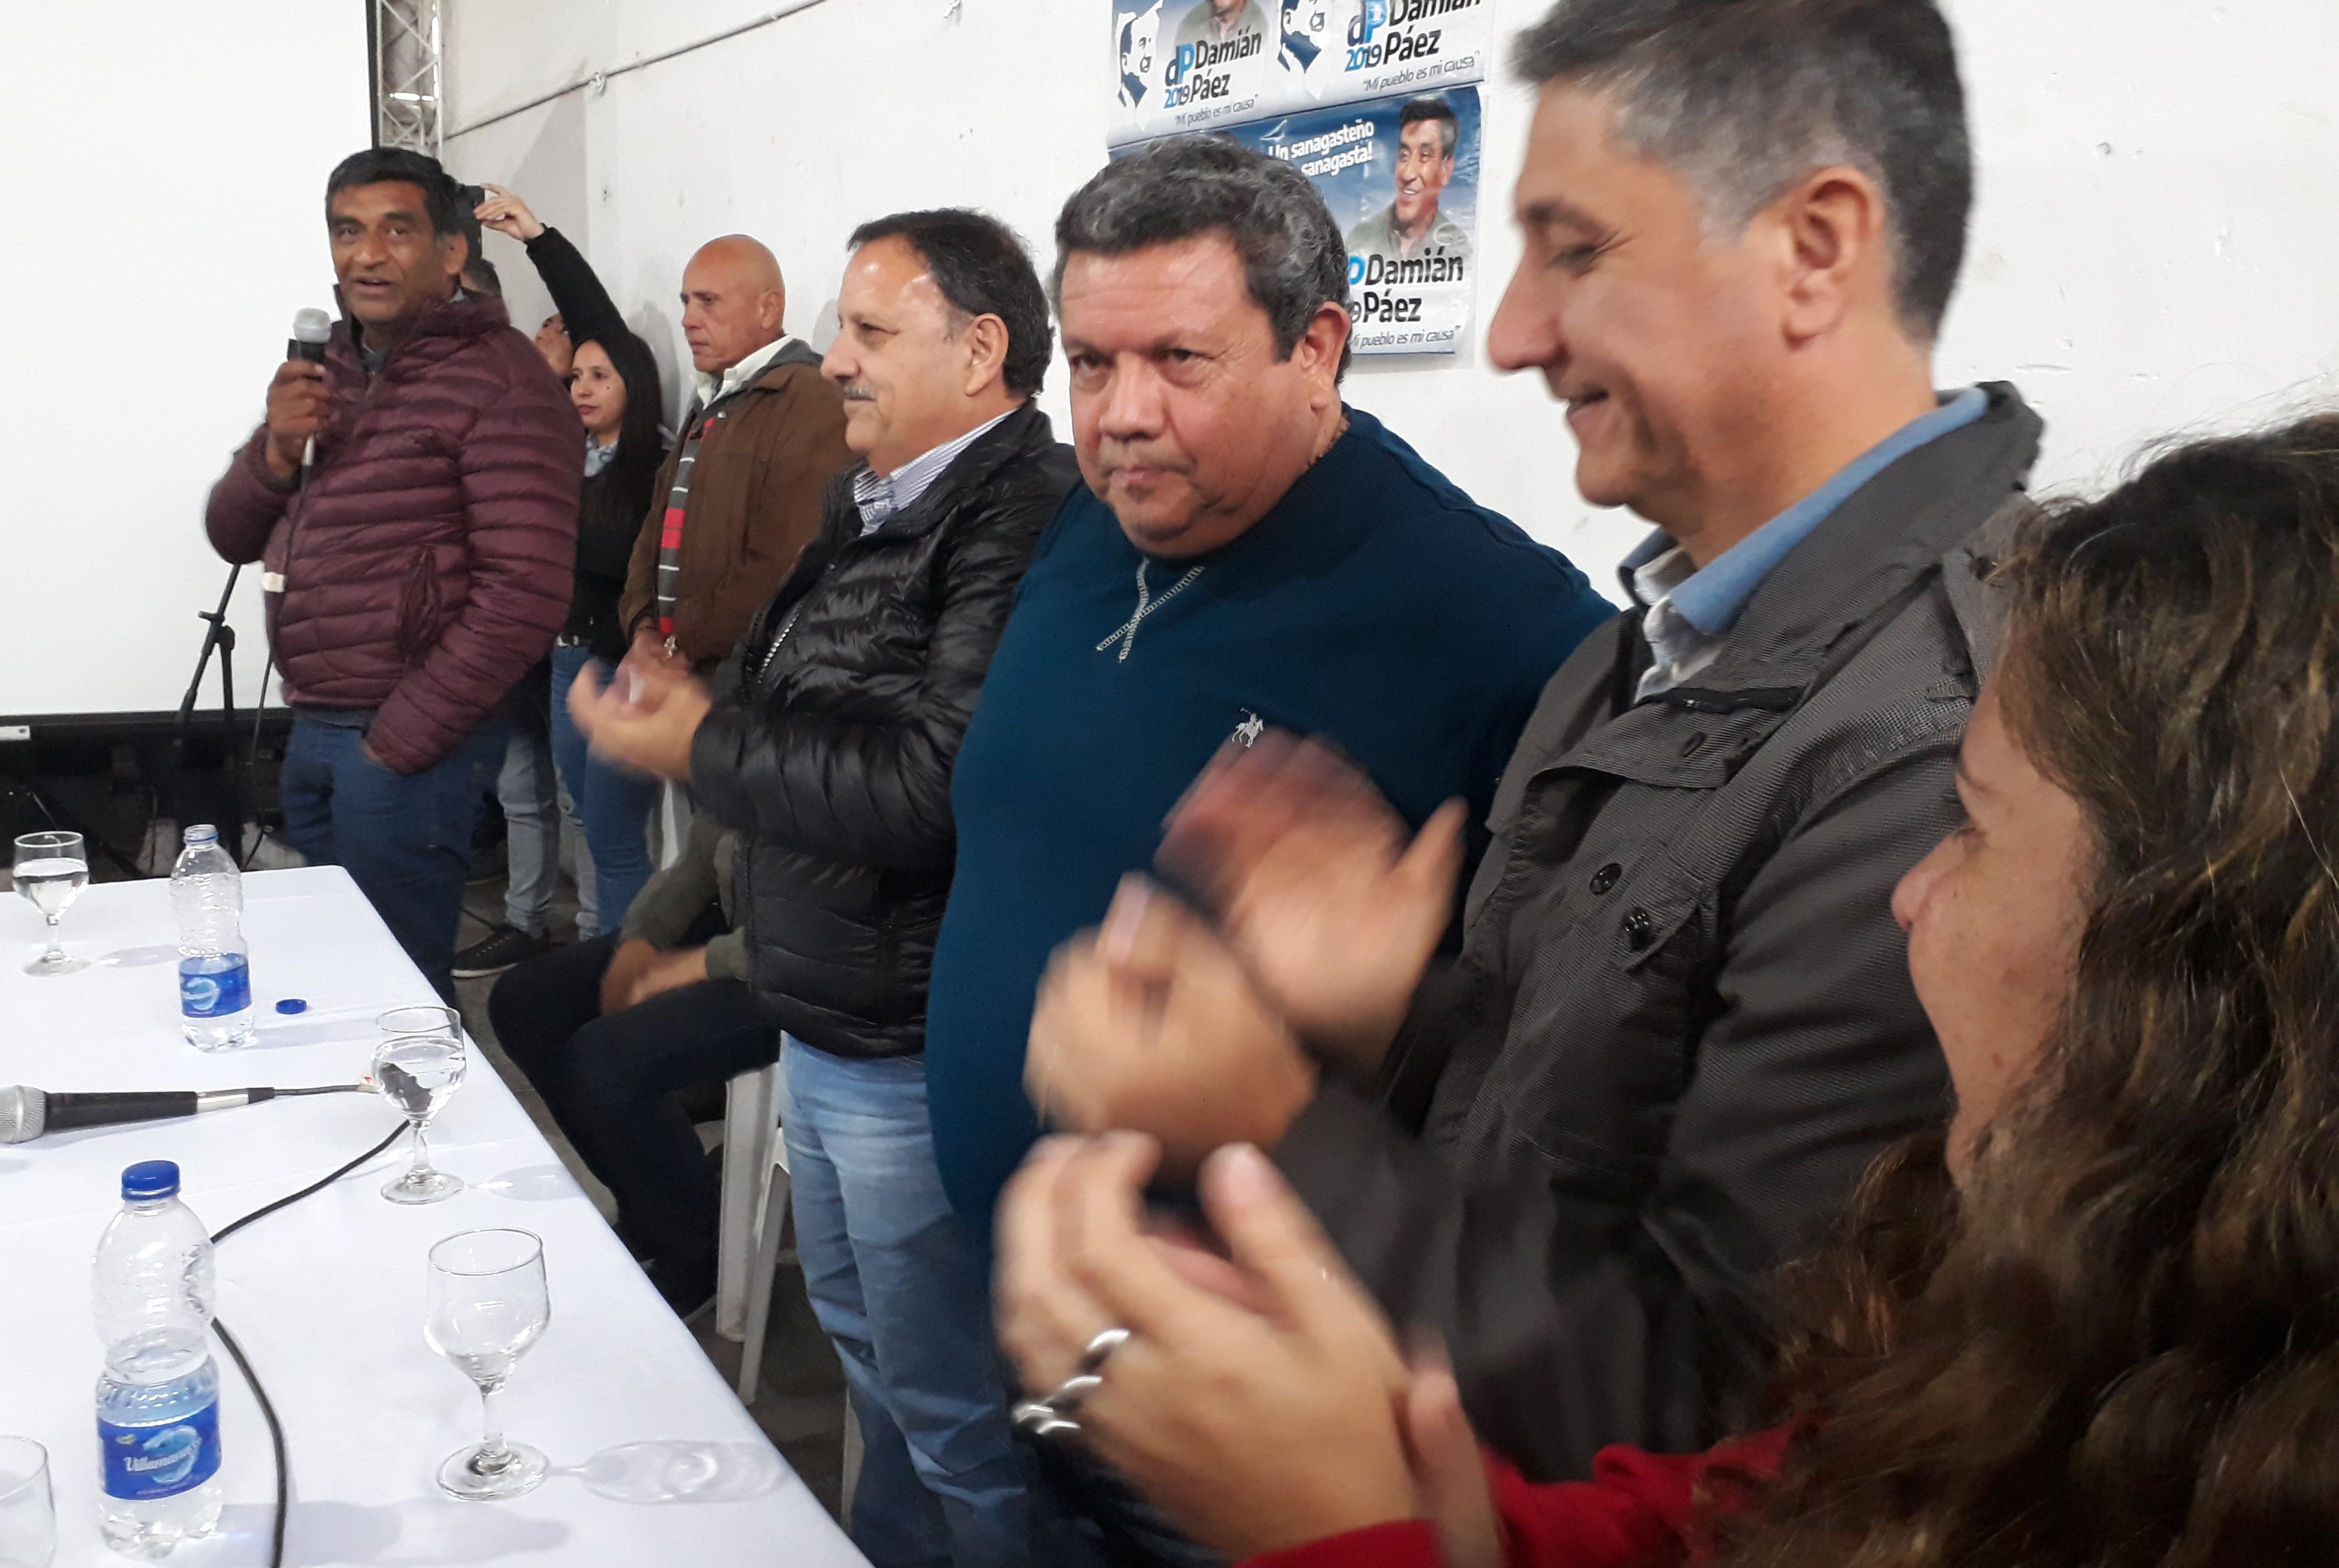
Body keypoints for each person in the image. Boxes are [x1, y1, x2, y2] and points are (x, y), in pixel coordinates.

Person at [1022, 0, 2044, 1486]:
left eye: (1575, 252)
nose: (1509, 335)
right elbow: (1580, 1134)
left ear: (1816, 247)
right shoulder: (1655, 640)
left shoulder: (1954, 755)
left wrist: (1271, 1115)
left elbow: (1721, 1418)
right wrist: (1390, 1017)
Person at [999, 412, 2339, 1568]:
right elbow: (1764, 1484)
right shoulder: (1628, 657)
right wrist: (1387, 1022)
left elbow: (1697, 1375)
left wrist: (1344, 1514)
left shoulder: (1884, 730)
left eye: (1974, 826)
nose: (1518, 332)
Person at [924, 137, 1611, 1247]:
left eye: (1179, 359)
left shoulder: (1500, 620)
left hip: (1243, 1306)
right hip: (1000, 1250)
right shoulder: (1097, 509)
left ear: (1317, 349)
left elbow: (1577, 1051)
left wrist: (1391, 1016)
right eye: (1091, 364)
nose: (1122, 414)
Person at [574, 209, 1081, 1568]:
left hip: (909, 1036)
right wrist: (702, 731)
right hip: (824, 1005)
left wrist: (700, 746)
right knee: (874, 1368)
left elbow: (930, 789)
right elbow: (775, 709)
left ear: (978, 351)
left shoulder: (1020, 517)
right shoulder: (869, 502)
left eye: (868, 330)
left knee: (956, 1416)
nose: (837, 360)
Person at [205, 148, 579, 1004]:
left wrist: (397, 745)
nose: (367, 255)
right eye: (348, 232)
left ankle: (421, 1099)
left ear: (452, 251)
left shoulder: (504, 381)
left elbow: (524, 595)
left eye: (396, 231)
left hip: (407, 743)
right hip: (317, 726)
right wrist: (274, 450)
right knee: (334, 981)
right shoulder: (327, 368)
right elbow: (231, 533)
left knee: (398, 995)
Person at [457, 188, 668, 974]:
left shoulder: (652, 462)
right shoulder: (566, 452)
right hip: (562, 659)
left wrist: (538, 237)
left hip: (617, 664)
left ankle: (617, 973)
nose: (580, 387)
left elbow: (618, 561)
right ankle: (588, 958)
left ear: (632, 383)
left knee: (613, 838)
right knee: (579, 818)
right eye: (575, 376)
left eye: (597, 375)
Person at [612, 232, 853, 865]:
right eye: (686, 302)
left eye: (709, 302)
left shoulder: (809, 397)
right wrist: (643, 629)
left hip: (746, 696)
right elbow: (655, 528)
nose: (689, 319)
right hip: (689, 681)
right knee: (704, 863)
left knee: (740, 870)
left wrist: (674, 647)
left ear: (768, 308)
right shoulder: (716, 398)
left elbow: (781, 563)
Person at [487, 815, 776, 1315]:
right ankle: (647, 1211)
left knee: (607, 1062)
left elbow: (820, 936)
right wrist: (639, 945)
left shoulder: (846, 775)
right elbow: (697, 867)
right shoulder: (749, 765)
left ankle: (696, 1252)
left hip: (824, 968)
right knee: (528, 1002)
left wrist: (691, 966)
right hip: (746, 927)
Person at [1344, 99, 1470, 264]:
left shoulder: (1459, 251)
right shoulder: (1359, 241)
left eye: (1425, 156)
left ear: (1446, 168)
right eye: (1404, 155)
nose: (1408, 174)